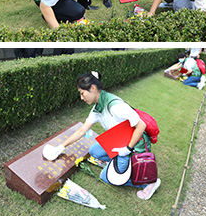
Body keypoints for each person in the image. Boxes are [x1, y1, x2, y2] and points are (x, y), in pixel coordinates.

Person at [43, 71, 161, 200]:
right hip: (120, 142)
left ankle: (148, 183)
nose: (81, 98)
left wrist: (127, 149)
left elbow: (141, 125)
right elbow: (82, 130)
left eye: (82, 93)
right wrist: (60, 147)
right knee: (94, 150)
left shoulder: (115, 106)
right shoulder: (98, 107)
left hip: (133, 147)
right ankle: (120, 164)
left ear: (93, 88)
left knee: (105, 177)